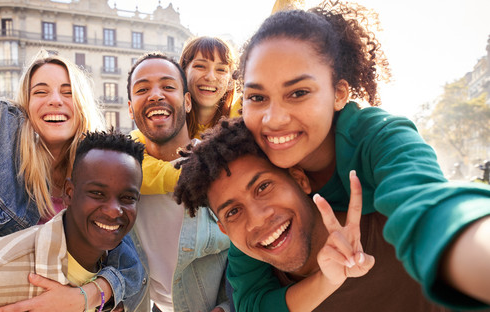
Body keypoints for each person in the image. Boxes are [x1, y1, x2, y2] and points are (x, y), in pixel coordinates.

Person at [214, 2, 490, 310]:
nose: (274, 119)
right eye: (257, 97)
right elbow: (251, 298)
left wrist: (473, 249)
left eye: (298, 92)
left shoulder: (375, 135)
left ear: (340, 93)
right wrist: (325, 281)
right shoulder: (253, 168)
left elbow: (427, 207)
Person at [0, 24, 141, 310]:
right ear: (26, 104)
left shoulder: (95, 167)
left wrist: (86, 296)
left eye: (67, 92)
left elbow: (129, 265)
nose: (55, 100)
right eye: (40, 91)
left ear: (82, 104)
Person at [174, 118, 449, 311]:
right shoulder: (252, 269)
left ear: (300, 179)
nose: (257, 218)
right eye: (233, 211)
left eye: (263, 187)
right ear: (224, 230)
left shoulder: (395, 230)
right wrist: (327, 280)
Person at [0, 130, 146, 311]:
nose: (115, 210)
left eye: (127, 198)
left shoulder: (127, 275)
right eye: (97, 193)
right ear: (69, 194)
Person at [126, 52, 230, 312]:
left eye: (168, 86)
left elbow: (253, 256)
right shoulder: (122, 177)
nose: (155, 95)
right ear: (130, 108)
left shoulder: (221, 166)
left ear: (187, 102)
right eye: (142, 89)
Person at [131, 36, 241, 195]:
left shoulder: (243, 118)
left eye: (221, 69)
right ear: (182, 73)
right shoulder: (166, 120)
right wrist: (187, 174)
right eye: (200, 66)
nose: (210, 76)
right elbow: (130, 161)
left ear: (231, 81)